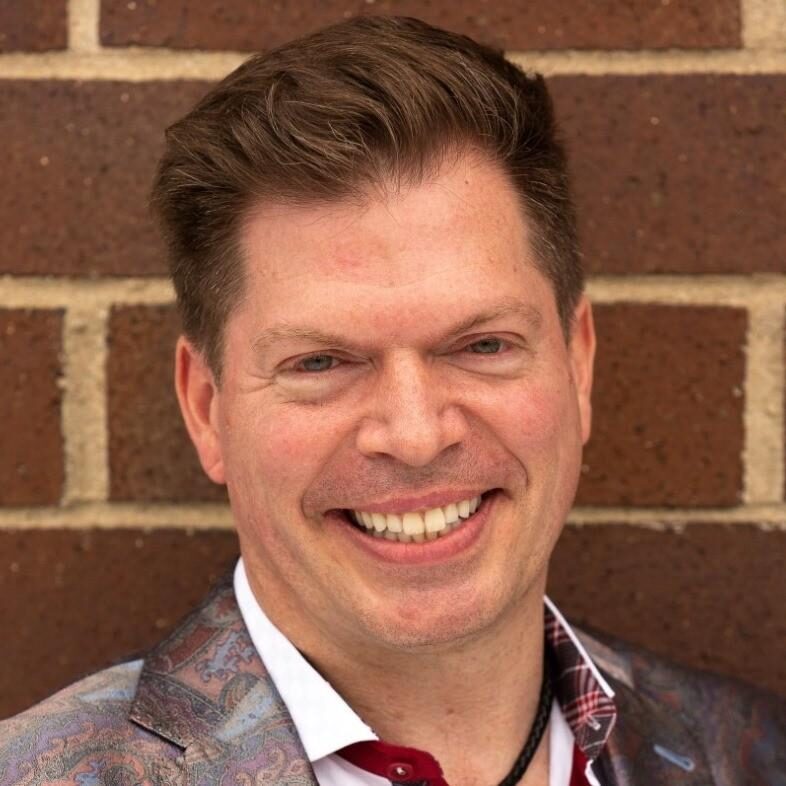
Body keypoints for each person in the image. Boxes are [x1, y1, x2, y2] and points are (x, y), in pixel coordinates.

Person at [1, 15, 784, 786]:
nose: (414, 435)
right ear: (206, 408)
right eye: (321, 362)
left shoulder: (750, 756)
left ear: (576, 365)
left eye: (482, 346)